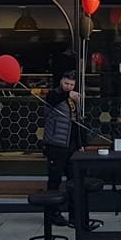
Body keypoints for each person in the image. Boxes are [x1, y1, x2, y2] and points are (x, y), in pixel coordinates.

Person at [41, 70, 82, 202]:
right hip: (56, 143)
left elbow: (76, 122)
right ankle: (52, 210)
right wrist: (68, 94)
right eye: (66, 83)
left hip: (71, 144)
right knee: (54, 179)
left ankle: (73, 209)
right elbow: (52, 100)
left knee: (73, 177)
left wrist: (80, 144)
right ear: (61, 82)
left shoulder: (73, 99)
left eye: (71, 85)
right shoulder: (53, 94)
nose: (68, 87)